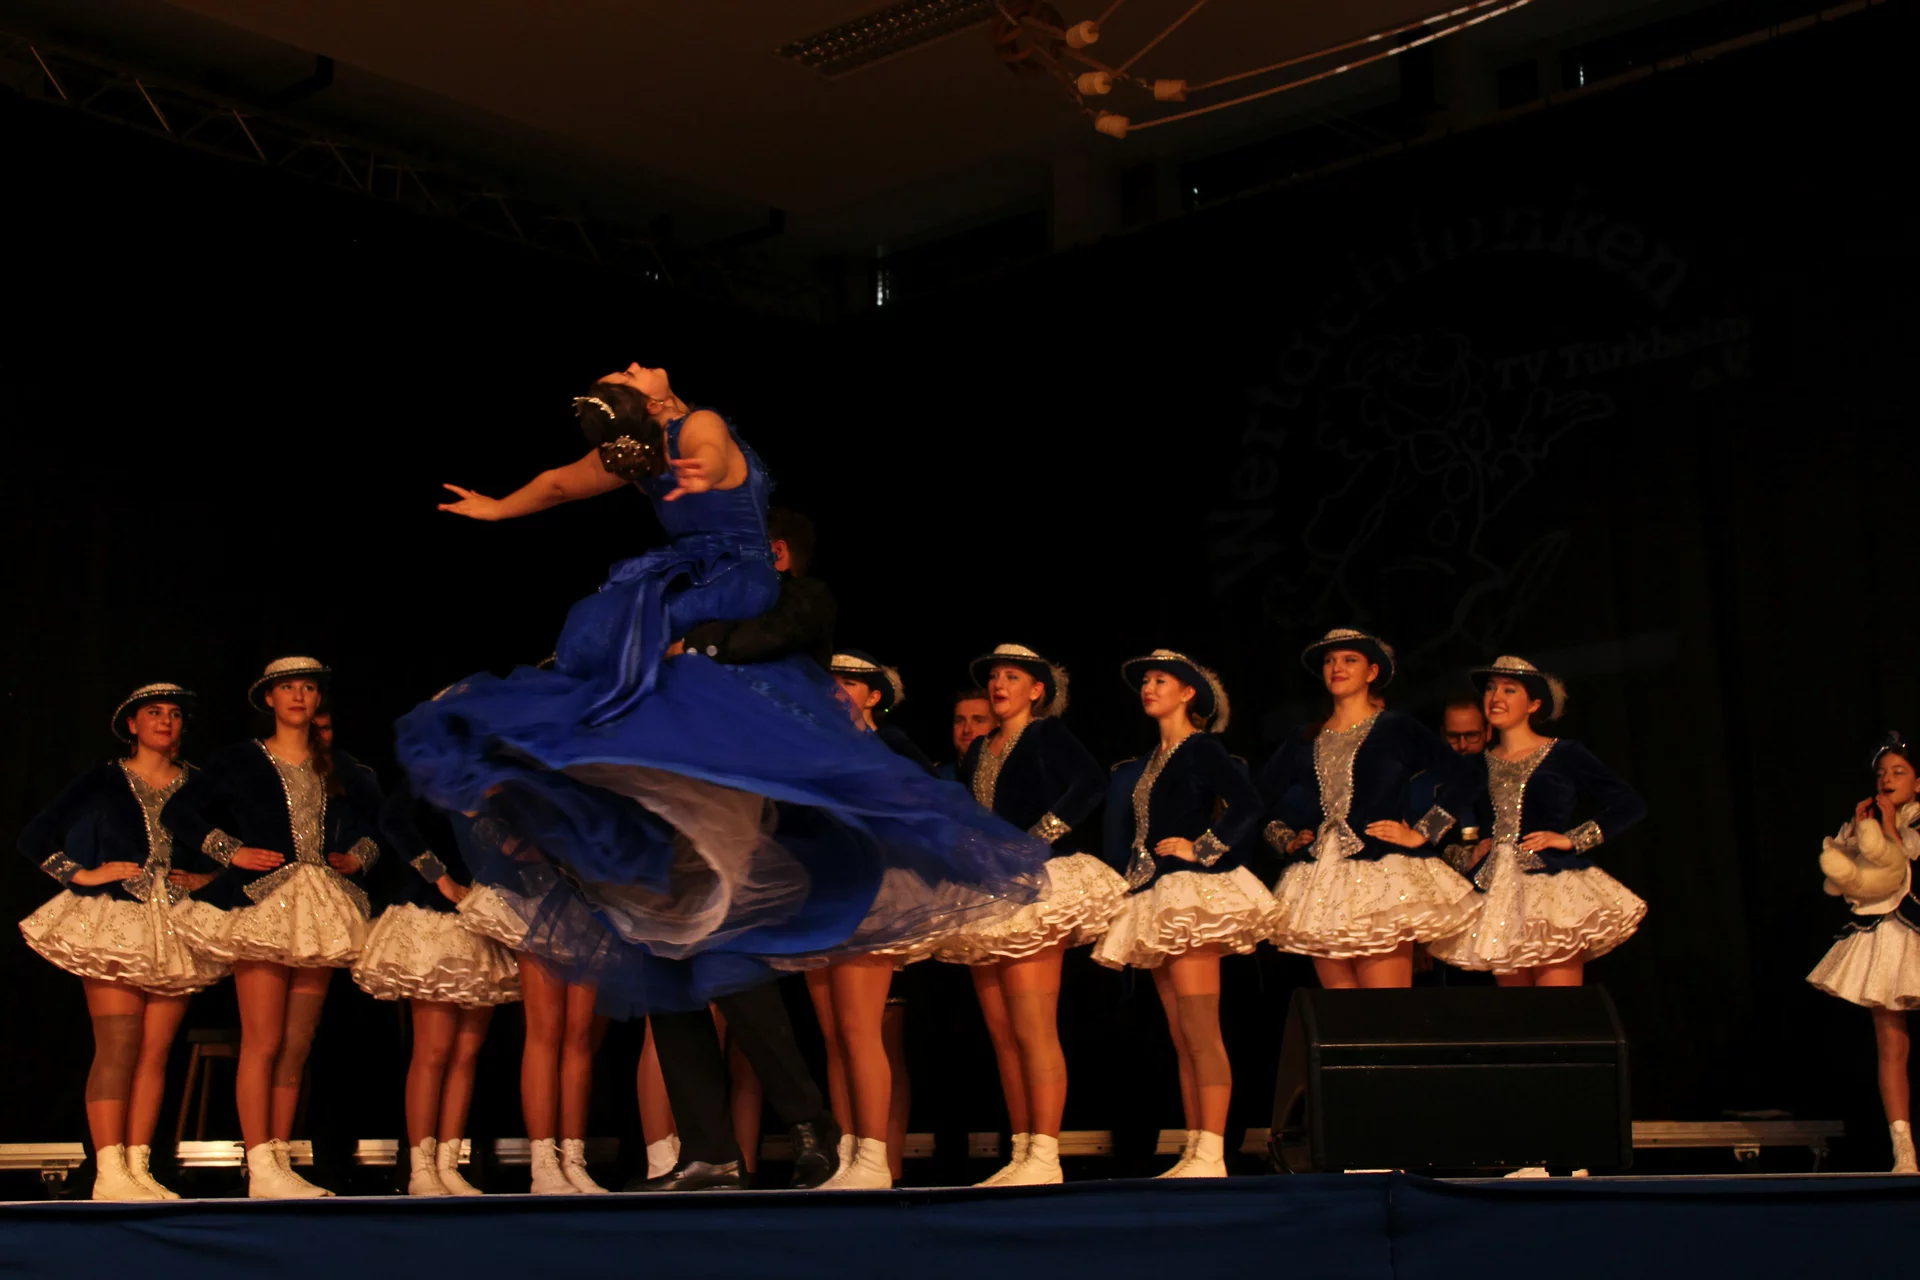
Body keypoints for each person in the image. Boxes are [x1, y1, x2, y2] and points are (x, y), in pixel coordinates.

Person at [164, 657, 383, 1198]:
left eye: (308, 688)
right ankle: (259, 1160)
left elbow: (383, 822)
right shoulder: (240, 759)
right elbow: (180, 812)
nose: (299, 696)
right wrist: (230, 851)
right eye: (288, 688)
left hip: (320, 906)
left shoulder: (339, 765)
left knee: (296, 1043)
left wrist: (359, 856)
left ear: (318, 699)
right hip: (263, 905)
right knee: (262, 1039)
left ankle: (280, 1161)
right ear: (269, 699)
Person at [17, 684, 226, 1200]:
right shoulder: (105, 778)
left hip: (175, 922)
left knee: (155, 1053)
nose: (166, 721)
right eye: (154, 713)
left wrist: (208, 878)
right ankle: (109, 1170)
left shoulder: (200, 783)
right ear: (132, 724)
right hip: (117, 921)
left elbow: (238, 846)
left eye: (174, 714)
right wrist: (82, 874)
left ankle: (138, 1167)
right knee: (118, 1046)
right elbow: (35, 837)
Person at [937, 644, 1127, 1186]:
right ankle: (1022, 1152)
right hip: (988, 889)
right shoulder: (981, 748)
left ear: (1036, 690)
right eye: (995, 676)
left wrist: (1037, 837)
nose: (999, 684)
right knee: (1002, 1033)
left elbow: (1090, 784)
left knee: (1033, 1027)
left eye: (1012, 677)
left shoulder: (1046, 734)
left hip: (1036, 886)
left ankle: (1046, 1152)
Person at [1095, 652, 1274, 1179]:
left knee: (1200, 1027)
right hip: (1156, 891)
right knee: (1179, 1033)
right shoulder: (1154, 758)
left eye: (1160, 680)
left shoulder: (1202, 747)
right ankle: (1197, 1147)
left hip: (1189, 895)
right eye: (1145, 681)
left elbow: (1248, 803)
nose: (1148, 688)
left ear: (1188, 692)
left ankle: (1213, 1149)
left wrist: (1205, 846)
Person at [1257, 629, 1476, 990]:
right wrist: (1285, 838)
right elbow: (1253, 797)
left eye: (1349, 660)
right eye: (1330, 661)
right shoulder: (1305, 738)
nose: (1337, 667)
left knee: (1385, 1008)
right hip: (1322, 880)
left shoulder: (1395, 728)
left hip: (1382, 874)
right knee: (1340, 1011)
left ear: (1371, 672)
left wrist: (1422, 832)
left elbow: (1465, 776)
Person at [1427, 657, 1648, 985]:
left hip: (1550, 887)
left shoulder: (1565, 754)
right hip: (1497, 890)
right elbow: (1436, 823)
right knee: (1519, 1008)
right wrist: (1461, 854)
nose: (1496, 697)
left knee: (1558, 1004)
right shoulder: (1476, 765)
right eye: (1490, 689)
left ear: (1533, 704)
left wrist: (1572, 839)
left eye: (1509, 690)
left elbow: (1628, 804)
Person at [353, 783, 521, 1195]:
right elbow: (393, 821)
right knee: (434, 1049)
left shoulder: (499, 790)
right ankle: (421, 1166)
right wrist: (439, 877)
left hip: (481, 921)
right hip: (434, 916)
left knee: (466, 1053)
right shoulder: (427, 782)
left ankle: (448, 1164)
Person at [1808, 733, 1920, 1174]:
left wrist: (1890, 829)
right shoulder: (1868, 820)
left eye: (1899, 772)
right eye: (1882, 773)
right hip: (1886, 936)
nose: (1887, 779)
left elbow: (1907, 863)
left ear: (1917, 782)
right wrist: (1859, 834)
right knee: (1891, 1044)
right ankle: (1904, 1152)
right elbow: (1848, 881)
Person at [939, 691, 995, 782]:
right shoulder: (936, 779)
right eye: (960, 721)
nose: (966, 730)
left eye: (978, 721)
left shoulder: (1011, 776)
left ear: (997, 726)